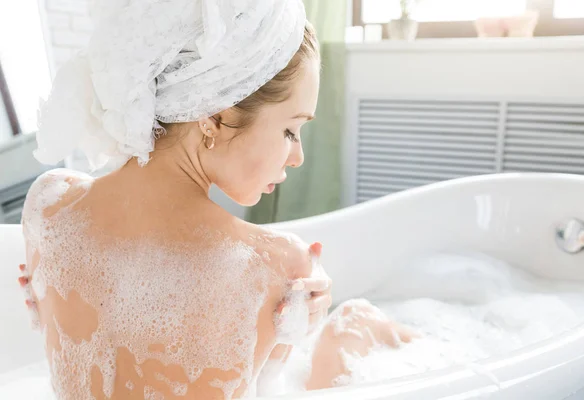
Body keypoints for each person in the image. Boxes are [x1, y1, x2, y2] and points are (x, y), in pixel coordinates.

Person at [17, 1, 416, 398]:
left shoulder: (49, 206)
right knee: (355, 322)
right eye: (290, 131)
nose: (298, 157)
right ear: (214, 118)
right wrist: (302, 314)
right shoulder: (275, 265)